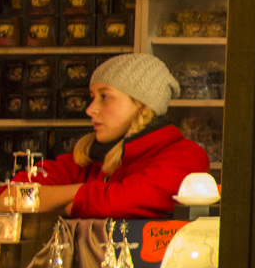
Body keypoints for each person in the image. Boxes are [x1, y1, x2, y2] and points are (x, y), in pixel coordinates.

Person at [12, 53, 207, 218]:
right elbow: (10, 196)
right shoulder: (85, 159)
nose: (90, 110)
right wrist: (78, 196)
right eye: (92, 97)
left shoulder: (186, 157)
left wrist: (55, 202)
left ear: (142, 104)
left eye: (105, 97)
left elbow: (120, 203)